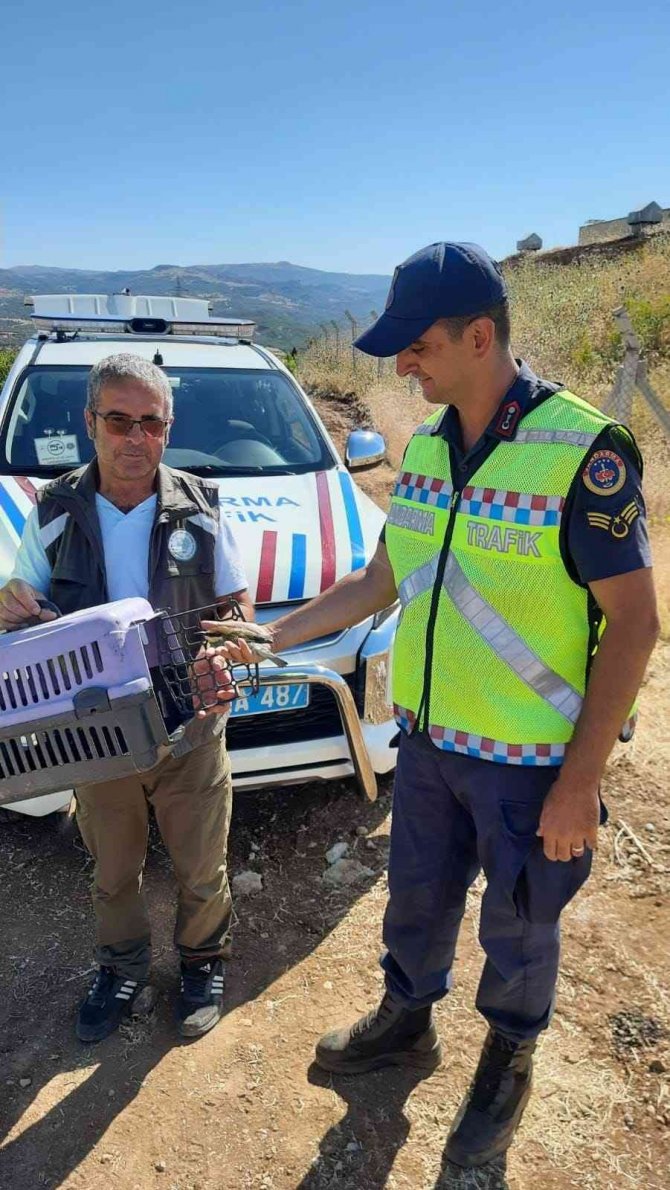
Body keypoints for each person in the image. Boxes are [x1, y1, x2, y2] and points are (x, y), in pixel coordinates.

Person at [218, 243, 659, 1167]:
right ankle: (406, 1021)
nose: (401, 364)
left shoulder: (584, 451)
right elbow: (386, 575)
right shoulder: (422, 445)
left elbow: (633, 626)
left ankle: (508, 1058)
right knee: (415, 904)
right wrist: (279, 635)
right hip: (426, 743)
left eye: (415, 346)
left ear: (480, 335)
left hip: (532, 766)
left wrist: (583, 781)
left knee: (519, 925)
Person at [0, 353, 252, 1043]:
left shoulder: (201, 504)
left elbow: (236, 609)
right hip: (95, 731)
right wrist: (8, 604)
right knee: (114, 869)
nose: (135, 437)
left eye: (151, 422)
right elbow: (18, 607)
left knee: (202, 863)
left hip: (190, 723)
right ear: (91, 424)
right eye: (119, 420)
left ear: (167, 429)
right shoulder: (53, 511)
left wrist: (223, 652)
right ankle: (121, 967)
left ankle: (202, 962)